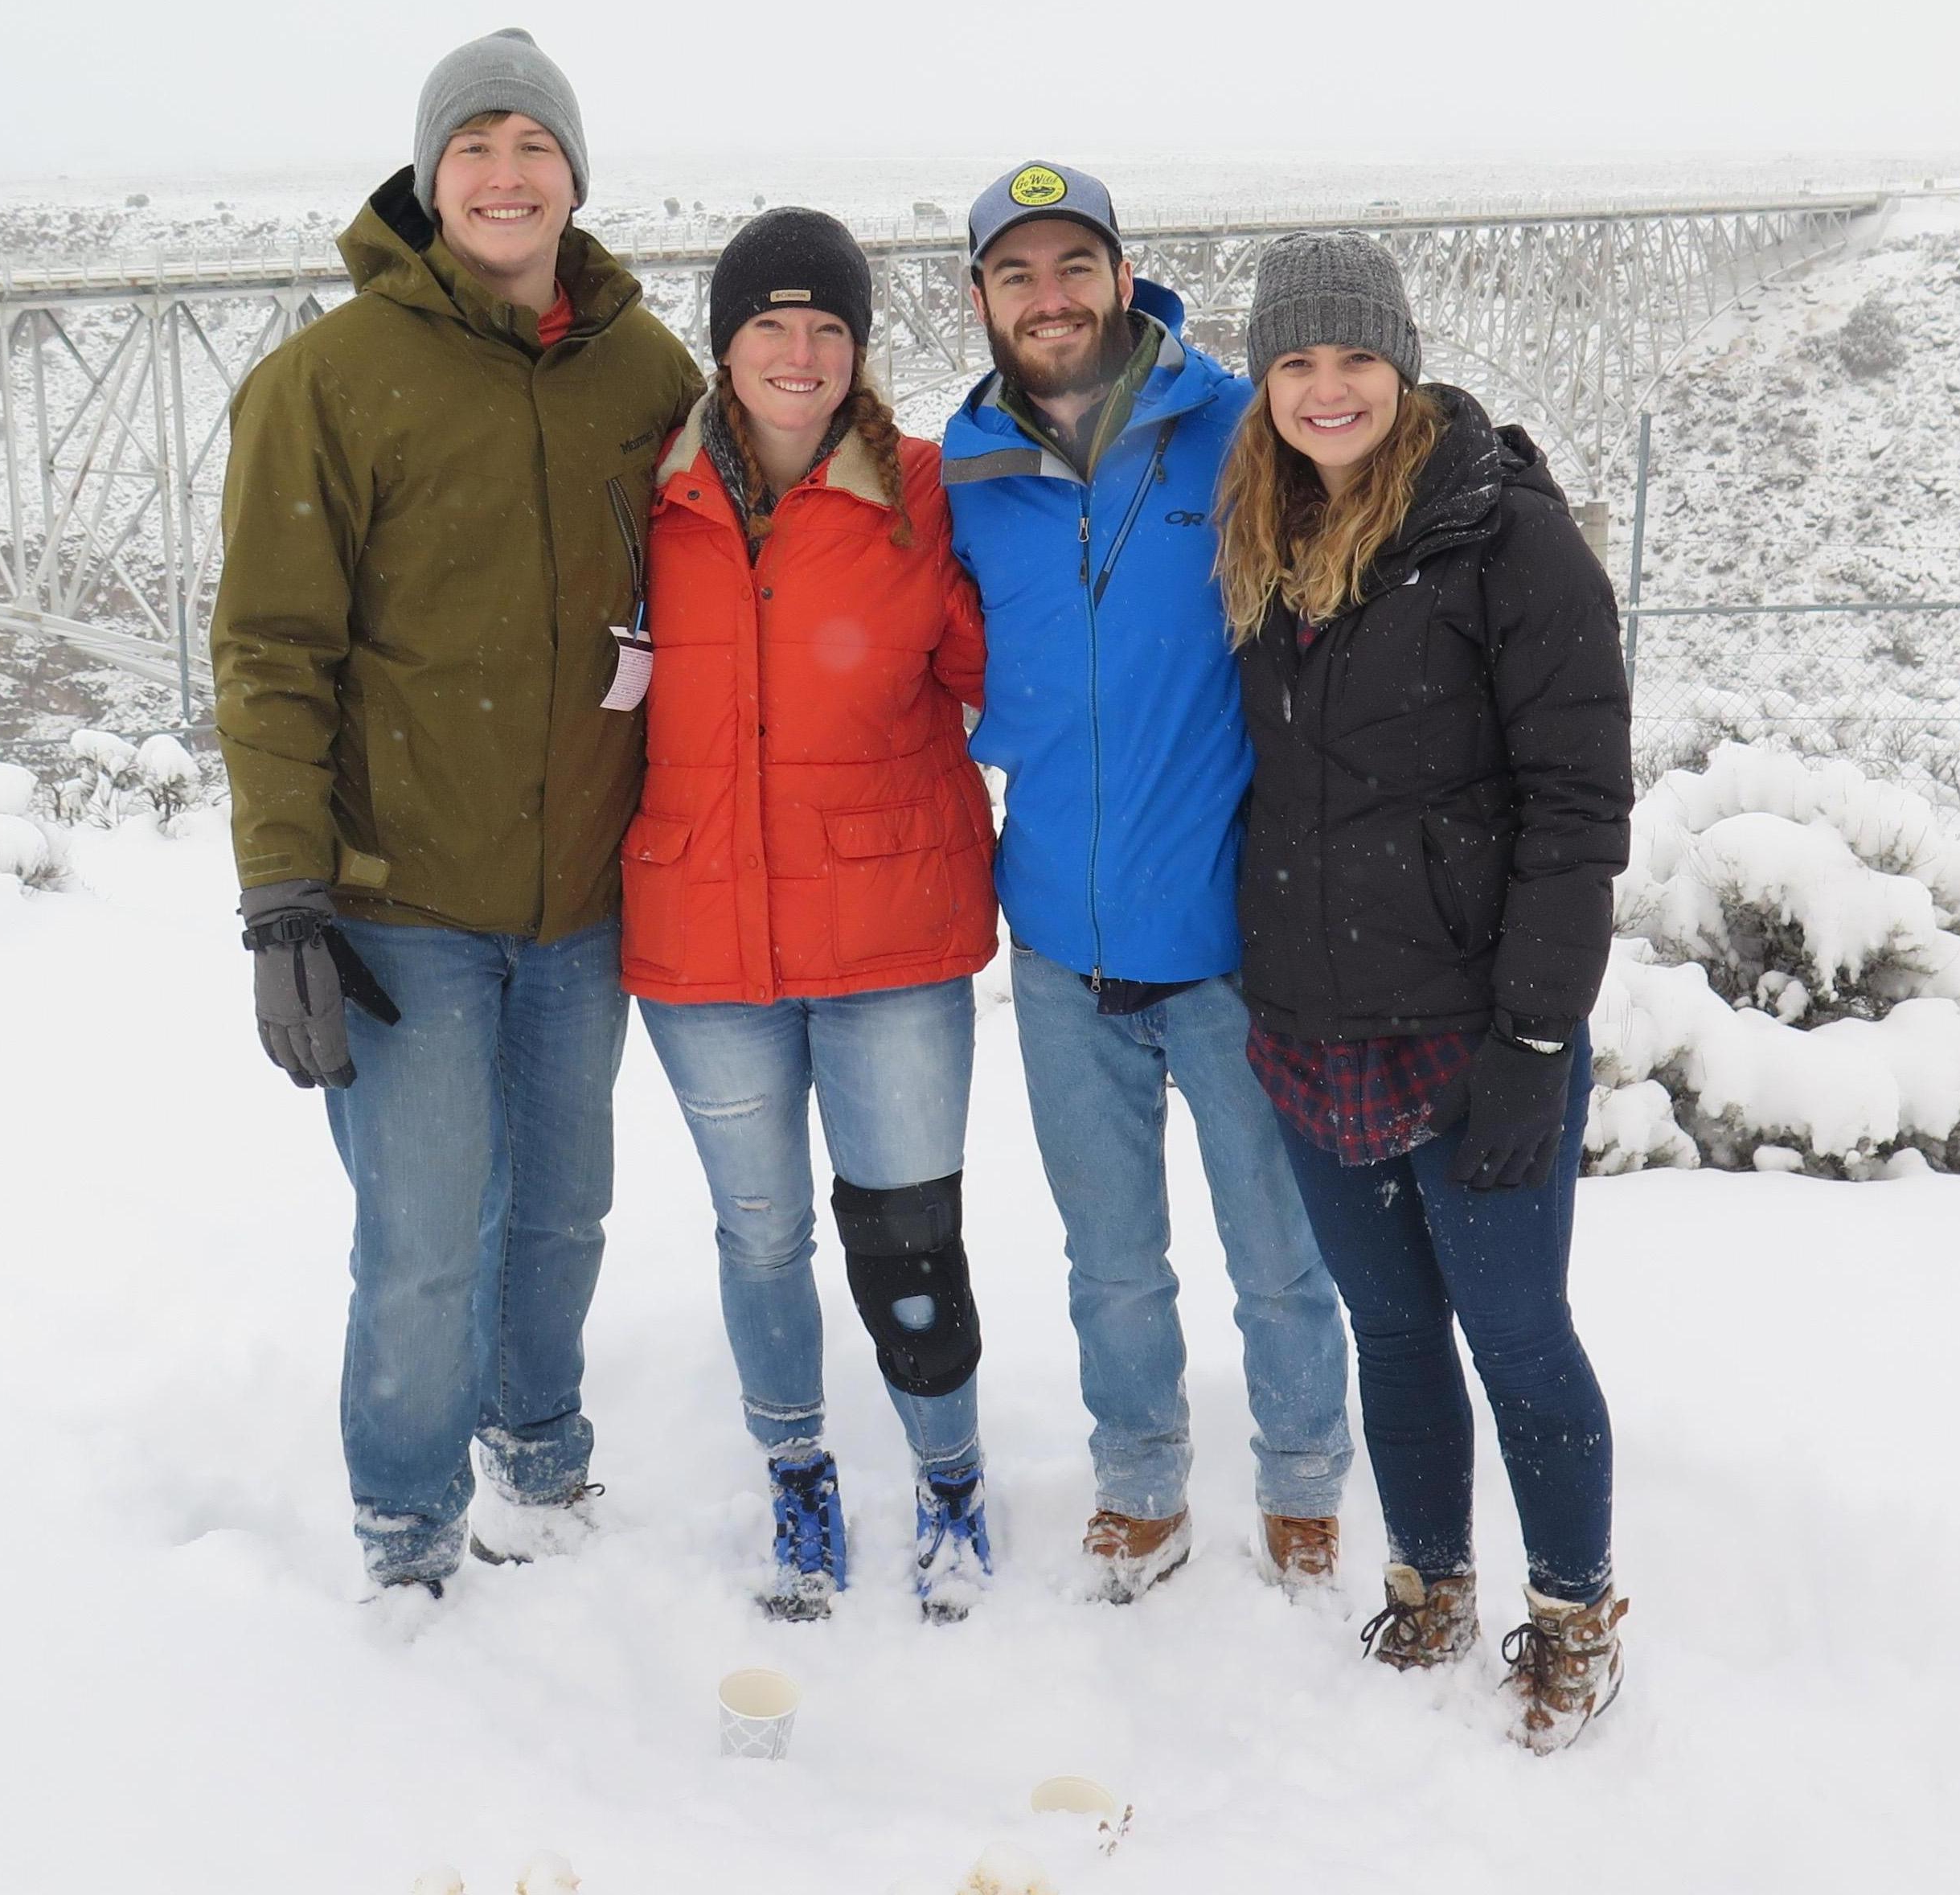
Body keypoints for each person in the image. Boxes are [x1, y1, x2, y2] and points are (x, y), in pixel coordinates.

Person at [212, 28, 703, 1597]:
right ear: (433, 180)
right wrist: (284, 894)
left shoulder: (645, 374)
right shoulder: (329, 381)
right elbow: (272, 649)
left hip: (581, 900)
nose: (505, 172)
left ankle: (539, 1449)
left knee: (560, 1213)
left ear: (572, 176)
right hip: (398, 902)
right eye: (474, 145)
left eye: (532, 144)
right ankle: (408, 1524)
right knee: (423, 1243)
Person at [1214, 231, 1634, 1751]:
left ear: (1403, 363)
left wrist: (1536, 1034)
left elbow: (1578, 809)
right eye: (1296, 364)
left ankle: (1575, 1612)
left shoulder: (1506, 537)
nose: (1327, 391)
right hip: (1314, 1025)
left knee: (1517, 1332)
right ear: (1265, 384)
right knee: (1390, 1334)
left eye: (1354, 360)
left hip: (1474, 1030)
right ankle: (1434, 1584)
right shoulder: (1261, 531)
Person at [940, 162, 1353, 1603]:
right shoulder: (966, 475)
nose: (1047, 298)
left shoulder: (1242, 428)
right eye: (1015, 274)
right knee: (1111, 1259)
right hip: (1055, 941)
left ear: (1124, 277)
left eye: (1073, 267)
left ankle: (1304, 1481)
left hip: (1232, 937)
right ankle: (1140, 1481)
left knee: (1278, 1248)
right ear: (983, 299)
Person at [622, 207, 999, 1624]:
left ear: (857, 351)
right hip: (701, 943)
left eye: (827, 328)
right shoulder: (645, 504)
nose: (799, 353)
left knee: (908, 1231)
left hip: (890, 939)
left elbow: (999, 671)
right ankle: (797, 1473)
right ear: (725, 345)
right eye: (770, 326)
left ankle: (950, 1472)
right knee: (763, 1233)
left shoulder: (924, 493)